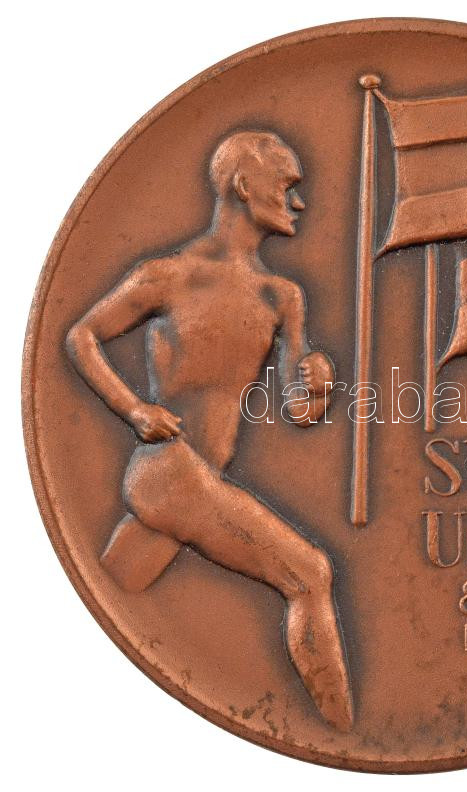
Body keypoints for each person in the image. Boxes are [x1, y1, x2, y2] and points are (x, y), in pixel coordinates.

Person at [66, 130, 353, 731]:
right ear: (244, 185)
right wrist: (133, 411)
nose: (299, 202)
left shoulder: (282, 296)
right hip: (169, 469)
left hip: (203, 479)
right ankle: (344, 729)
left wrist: (317, 384)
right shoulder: (168, 276)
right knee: (310, 575)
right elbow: (82, 335)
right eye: (288, 185)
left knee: (118, 583)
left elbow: (297, 409)